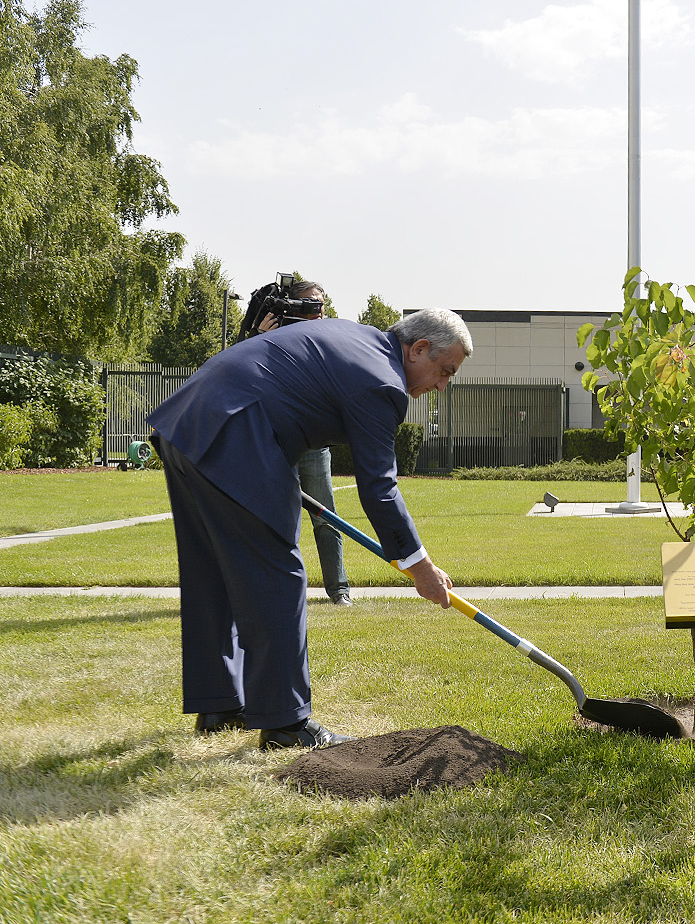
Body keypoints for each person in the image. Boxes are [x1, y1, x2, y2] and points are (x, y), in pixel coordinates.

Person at [149, 309, 472, 750]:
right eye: (445, 371)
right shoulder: (383, 381)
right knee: (278, 576)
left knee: (212, 571)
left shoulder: (356, 340)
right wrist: (420, 567)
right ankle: (286, 723)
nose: (441, 386)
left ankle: (219, 703)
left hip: (187, 424)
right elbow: (379, 489)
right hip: (238, 433)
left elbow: (294, 395)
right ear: (418, 349)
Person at [252, 279, 354, 608]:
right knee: (279, 520)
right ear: (293, 306)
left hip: (315, 444)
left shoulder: (327, 338)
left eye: (321, 303)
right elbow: (252, 375)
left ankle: (339, 591)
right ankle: (281, 591)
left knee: (327, 519)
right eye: (310, 303)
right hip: (280, 444)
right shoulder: (272, 338)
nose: (318, 309)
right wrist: (261, 338)